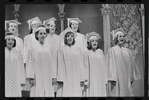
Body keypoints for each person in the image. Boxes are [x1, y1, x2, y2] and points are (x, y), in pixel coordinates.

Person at [106, 28, 141, 97]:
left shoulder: (127, 51)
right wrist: (112, 78)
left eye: (123, 36)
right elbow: (110, 65)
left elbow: (131, 65)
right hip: (117, 78)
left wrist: (131, 76)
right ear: (116, 38)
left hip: (126, 77)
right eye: (120, 36)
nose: (122, 38)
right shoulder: (112, 50)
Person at [26, 24, 54, 97]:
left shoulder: (49, 48)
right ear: (37, 35)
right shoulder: (32, 47)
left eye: (44, 33)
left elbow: (52, 62)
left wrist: (53, 76)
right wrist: (31, 77)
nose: (43, 35)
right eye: (41, 33)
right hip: (37, 75)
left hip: (48, 75)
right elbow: (30, 63)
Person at [56, 28, 84, 97]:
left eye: (71, 36)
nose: (70, 38)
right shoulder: (61, 50)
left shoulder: (78, 49)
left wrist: (82, 78)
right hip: (65, 77)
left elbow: (81, 64)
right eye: (68, 36)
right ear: (65, 38)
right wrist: (60, 79)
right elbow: (59, 65)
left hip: (76, 77)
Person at [83, 32, 108, 97]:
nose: (95, 42)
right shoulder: (86, 54)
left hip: (100, 78)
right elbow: (85, 67)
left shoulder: (100, 52)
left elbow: (104, 67)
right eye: (92, 41)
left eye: (96, 41)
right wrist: (85, 80)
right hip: (91, 79)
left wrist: (105, 79)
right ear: (89, 43)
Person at [5, 20, 26, 96]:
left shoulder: (19, 41)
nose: (13, 28)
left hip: (16, 72)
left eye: (14, 26)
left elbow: (22, 55)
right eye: (11, 26)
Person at [23, 17, 42, 96]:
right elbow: (25, 50)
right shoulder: (27, 38)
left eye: (37, 24)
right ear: (31, 26)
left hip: (40, 62)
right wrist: (25, 62)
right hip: (31, 62)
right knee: (33, 85)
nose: (36, 26)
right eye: (34, 24)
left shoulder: (41, 36)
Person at [43, 17, 62, 95]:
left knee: (57, 89)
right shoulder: (44, 38)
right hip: (47, 64)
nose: (53, 27)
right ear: (47, 27)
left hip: (57, 63)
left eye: (54, 26)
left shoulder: (59, 38)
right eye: (51, 26)